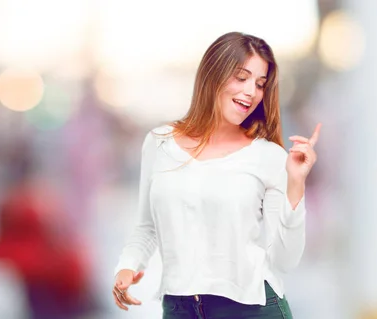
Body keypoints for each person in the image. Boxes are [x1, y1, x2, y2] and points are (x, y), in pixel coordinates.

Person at [112, 31, 321, 318]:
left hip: (252, 308)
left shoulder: (268, 156)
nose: (251, 91)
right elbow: (147, 226)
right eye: (241, 77)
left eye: (260, 84)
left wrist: (296, 184)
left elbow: (285, 260)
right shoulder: (160, 143)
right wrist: (128, 265)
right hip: (179, 308)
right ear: (212, 75)